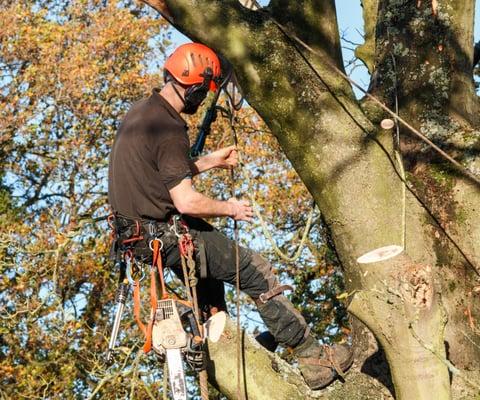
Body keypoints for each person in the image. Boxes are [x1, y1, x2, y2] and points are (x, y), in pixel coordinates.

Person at [108, 42, 352, 390]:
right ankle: (313, 357)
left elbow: (164, 172)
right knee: (255, 270)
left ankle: (230, 343)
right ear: (192, 90)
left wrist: (210, 161)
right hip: (166, 236)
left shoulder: (143, 113)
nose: (202, 100)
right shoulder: (169, 127)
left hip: (144, 236)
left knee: (210, 281)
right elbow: (187, 201)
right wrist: (231, 208)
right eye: (202, 93)